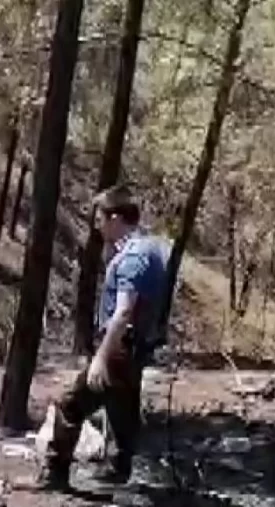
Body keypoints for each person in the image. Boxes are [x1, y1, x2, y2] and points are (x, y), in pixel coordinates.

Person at [43, 184, 170, 491]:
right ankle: (115, 475)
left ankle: (54, 475)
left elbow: (124, 311)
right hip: (135, 346)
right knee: (121, 411)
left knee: (71, 405)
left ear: (115, 218)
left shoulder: (132, 257)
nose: (97, 226)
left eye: (99, 219)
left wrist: (101, 357)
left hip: (120, 347)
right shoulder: (152, 248)